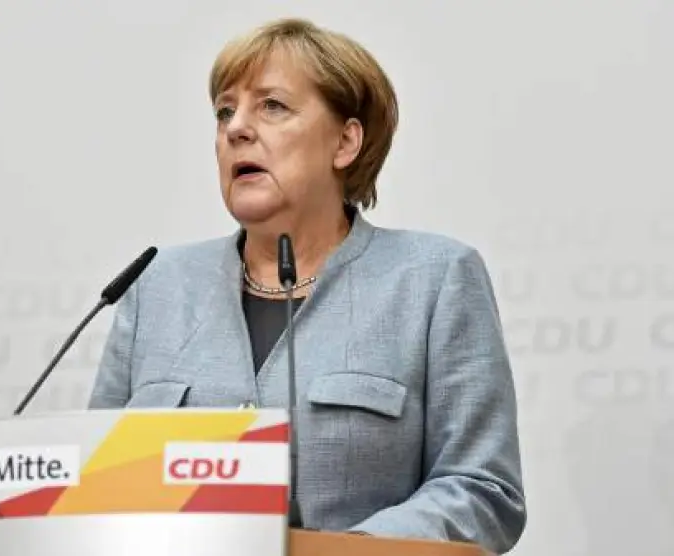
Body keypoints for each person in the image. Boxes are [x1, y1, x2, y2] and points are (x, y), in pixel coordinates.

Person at [87, 17, 526, 554]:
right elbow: (94, 490)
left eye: (272, 106)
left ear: (345, 142)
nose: (236, 128)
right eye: (225, 111)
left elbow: (483, 489)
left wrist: (350, 550)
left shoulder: (433, 279)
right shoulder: (155, 287)